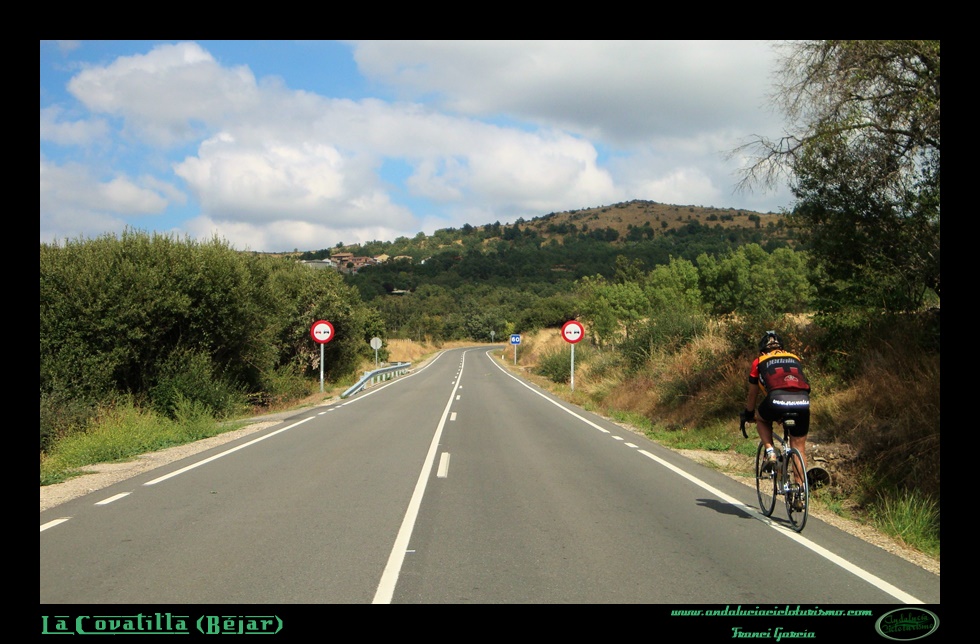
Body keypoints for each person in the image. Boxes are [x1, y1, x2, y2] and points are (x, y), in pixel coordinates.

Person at [740, 331, 811, 510]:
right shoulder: (794, 357)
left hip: (776, 399)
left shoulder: (759, 361)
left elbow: (753, 393)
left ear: (762, 350)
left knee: (761, 418)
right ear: (782, 347)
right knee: (799, 448)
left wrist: (749, 414)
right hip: (802, 401)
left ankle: (770, 451)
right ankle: (800, 491)